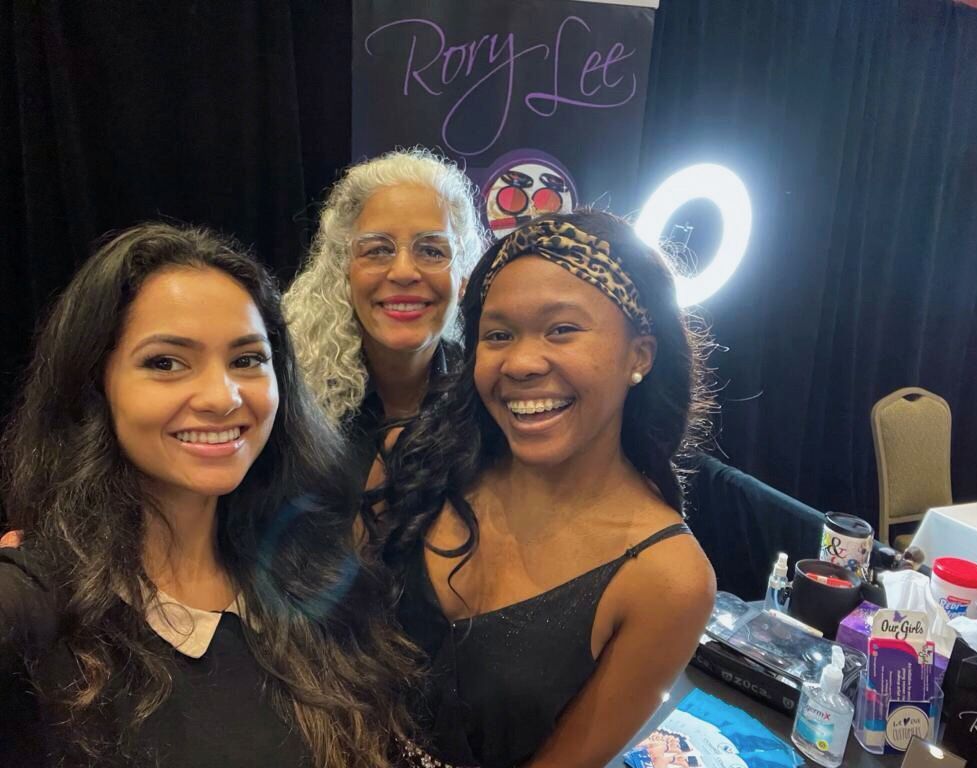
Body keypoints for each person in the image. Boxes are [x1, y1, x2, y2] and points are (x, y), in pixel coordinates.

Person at [0, 223, 416, 767]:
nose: (222, 397)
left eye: (247, 359)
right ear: (93, 383)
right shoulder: (32, 601)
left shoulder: (316, 583)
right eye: (166, 363)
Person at [377, 211, 718, 768]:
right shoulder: (415, 463)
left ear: (641, 355)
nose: (521, 362)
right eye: (498, 335)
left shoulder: (668, 580)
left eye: (561, 329)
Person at [283, 148, 487, 486]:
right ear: (344, 270)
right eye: (377, 250)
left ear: (463, 278)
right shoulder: (290, 401)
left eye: (432, 250)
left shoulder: (489, 398)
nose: (404, 272)